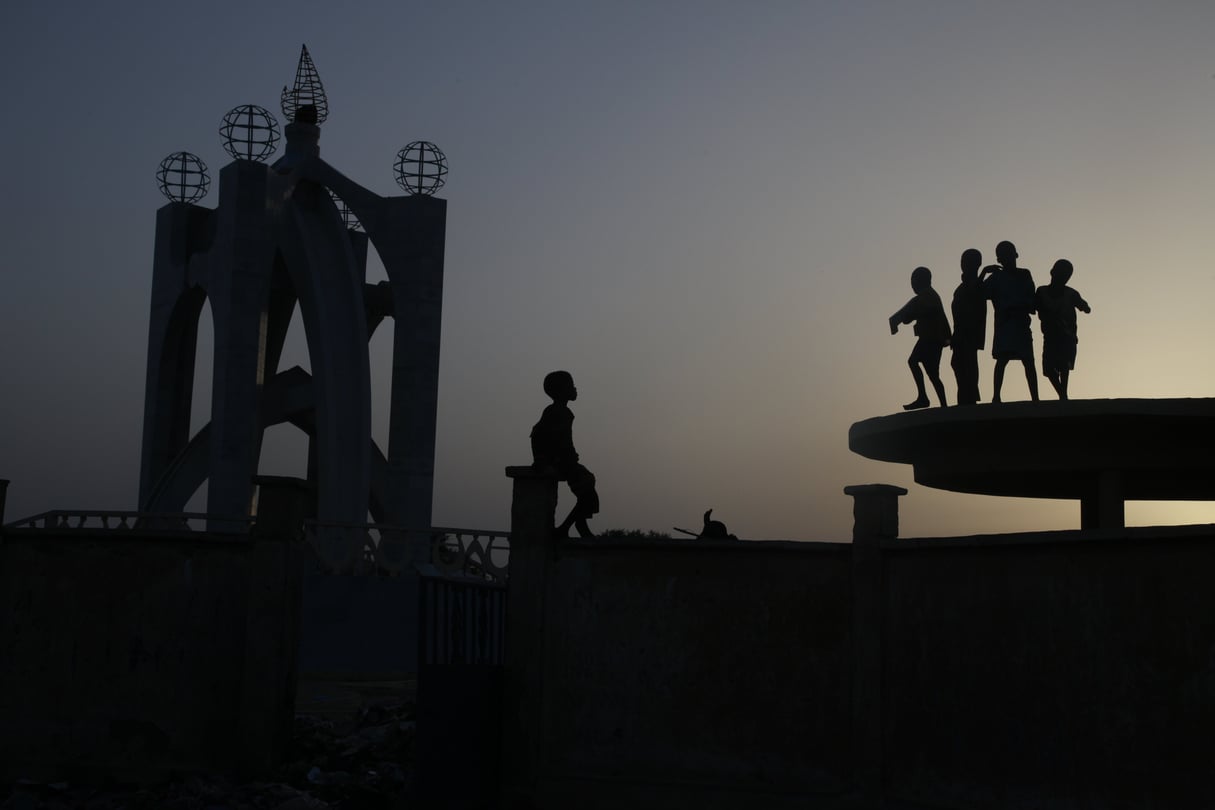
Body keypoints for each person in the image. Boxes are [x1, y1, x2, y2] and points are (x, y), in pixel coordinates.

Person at [530, 370, 599, 538]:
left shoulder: (561, 412)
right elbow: (540, 434)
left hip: (561, 460)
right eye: (571, 385)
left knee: (588, 487)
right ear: (562, 390)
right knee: (587, 484)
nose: (575, 388)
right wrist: (542, 459)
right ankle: (566, 528)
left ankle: (577, 524)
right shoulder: (557, 412)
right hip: (558, 461)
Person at [981, 241, 1039, 403]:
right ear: (999, 259)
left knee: (1028, 361)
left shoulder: (1025, 274)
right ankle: (996, 396)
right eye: (1003, 255)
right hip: (1005, 324)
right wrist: (983, 273)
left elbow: (1031, 296)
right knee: (1002, 360)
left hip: (1020, 323)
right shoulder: (996, 278)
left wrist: (1023, 306)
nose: (1007, 258)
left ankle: (1035, 398)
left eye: (1009, 253)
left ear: (1015, 255)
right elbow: (979, 294)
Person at [889, 266, 951, 410]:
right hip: (930, 338)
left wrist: (906, 317)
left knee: (917, 364)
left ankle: (927, 399)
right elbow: (912, 314)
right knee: (932, 374)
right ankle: (936, 402)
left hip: (932, 340)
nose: (912, 284)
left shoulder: (929, 296)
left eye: (914, 280)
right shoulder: (924, 297)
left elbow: (923, 310)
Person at [1035, 259, 1091, 400]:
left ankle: (1063, 394)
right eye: (1061, 274)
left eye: (1066, 276)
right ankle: (1062, 394)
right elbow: (1034, 306)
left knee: (1064, 365)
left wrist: (1084, 307)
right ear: (1052, 272)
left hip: (1067, 336)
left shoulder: (1071, 294)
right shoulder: (1041, 291)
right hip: (1050, 336)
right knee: (1048, 369)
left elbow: (1084, 306)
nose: (1063, 278)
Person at [950, 248, 987, 405]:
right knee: (959, 365)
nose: (963, 265)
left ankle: (968, 399)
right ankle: (966, 398)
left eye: (967, 262)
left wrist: (984, 273)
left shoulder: (976, 285)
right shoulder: (965, 285)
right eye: (963, 261)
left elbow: (974, 293)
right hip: (960, 334)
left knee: (967, 366)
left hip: (968, 334)